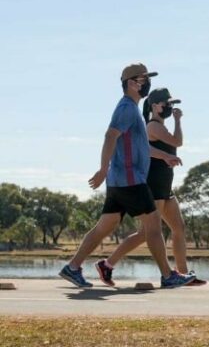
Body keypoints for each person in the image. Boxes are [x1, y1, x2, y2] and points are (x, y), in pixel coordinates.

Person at [59, 63, 195, 289]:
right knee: (153, 225)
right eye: (144, 80)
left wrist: (163, 156)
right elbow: (110, 136)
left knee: (104, 226)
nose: (147, 84)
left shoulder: (132, 110)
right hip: (130, 179)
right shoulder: (127, 109)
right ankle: (168, 275)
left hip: (119, 180)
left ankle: (72, 267)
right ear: (132, 83)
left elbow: (140, 146)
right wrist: (102, 169)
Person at [95, 88, 206, 286]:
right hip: (153, 185)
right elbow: (177, 142)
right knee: (145, 233)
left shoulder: (158, 126)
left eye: (172, 104)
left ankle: (183, 273)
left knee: (178, 228)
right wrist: (179, 121)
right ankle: (108, 264)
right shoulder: (153, 126)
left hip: (165, 185)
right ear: (155, 106)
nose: (170, 108)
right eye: (166, 104)